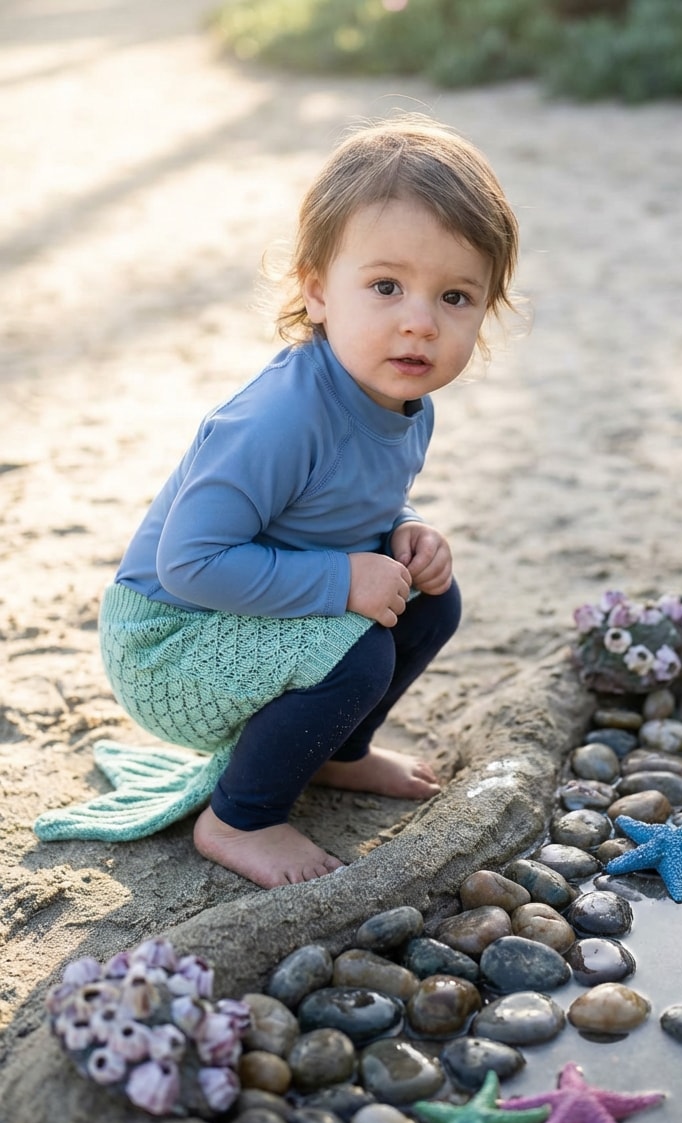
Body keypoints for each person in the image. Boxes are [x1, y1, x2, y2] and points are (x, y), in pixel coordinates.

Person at [41, 114, 520, 889]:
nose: (419, 321)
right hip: (170, 639)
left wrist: (404, 531)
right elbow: (191, 564)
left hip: (248, 608)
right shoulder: (279, 418)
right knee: (358, 645)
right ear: (317, 290)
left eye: (456, 296)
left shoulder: (407, 405)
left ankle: (336, 755)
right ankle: (239, 818)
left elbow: (344, 508)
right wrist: (342, 582)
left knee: (431, 599)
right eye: (386, 285)